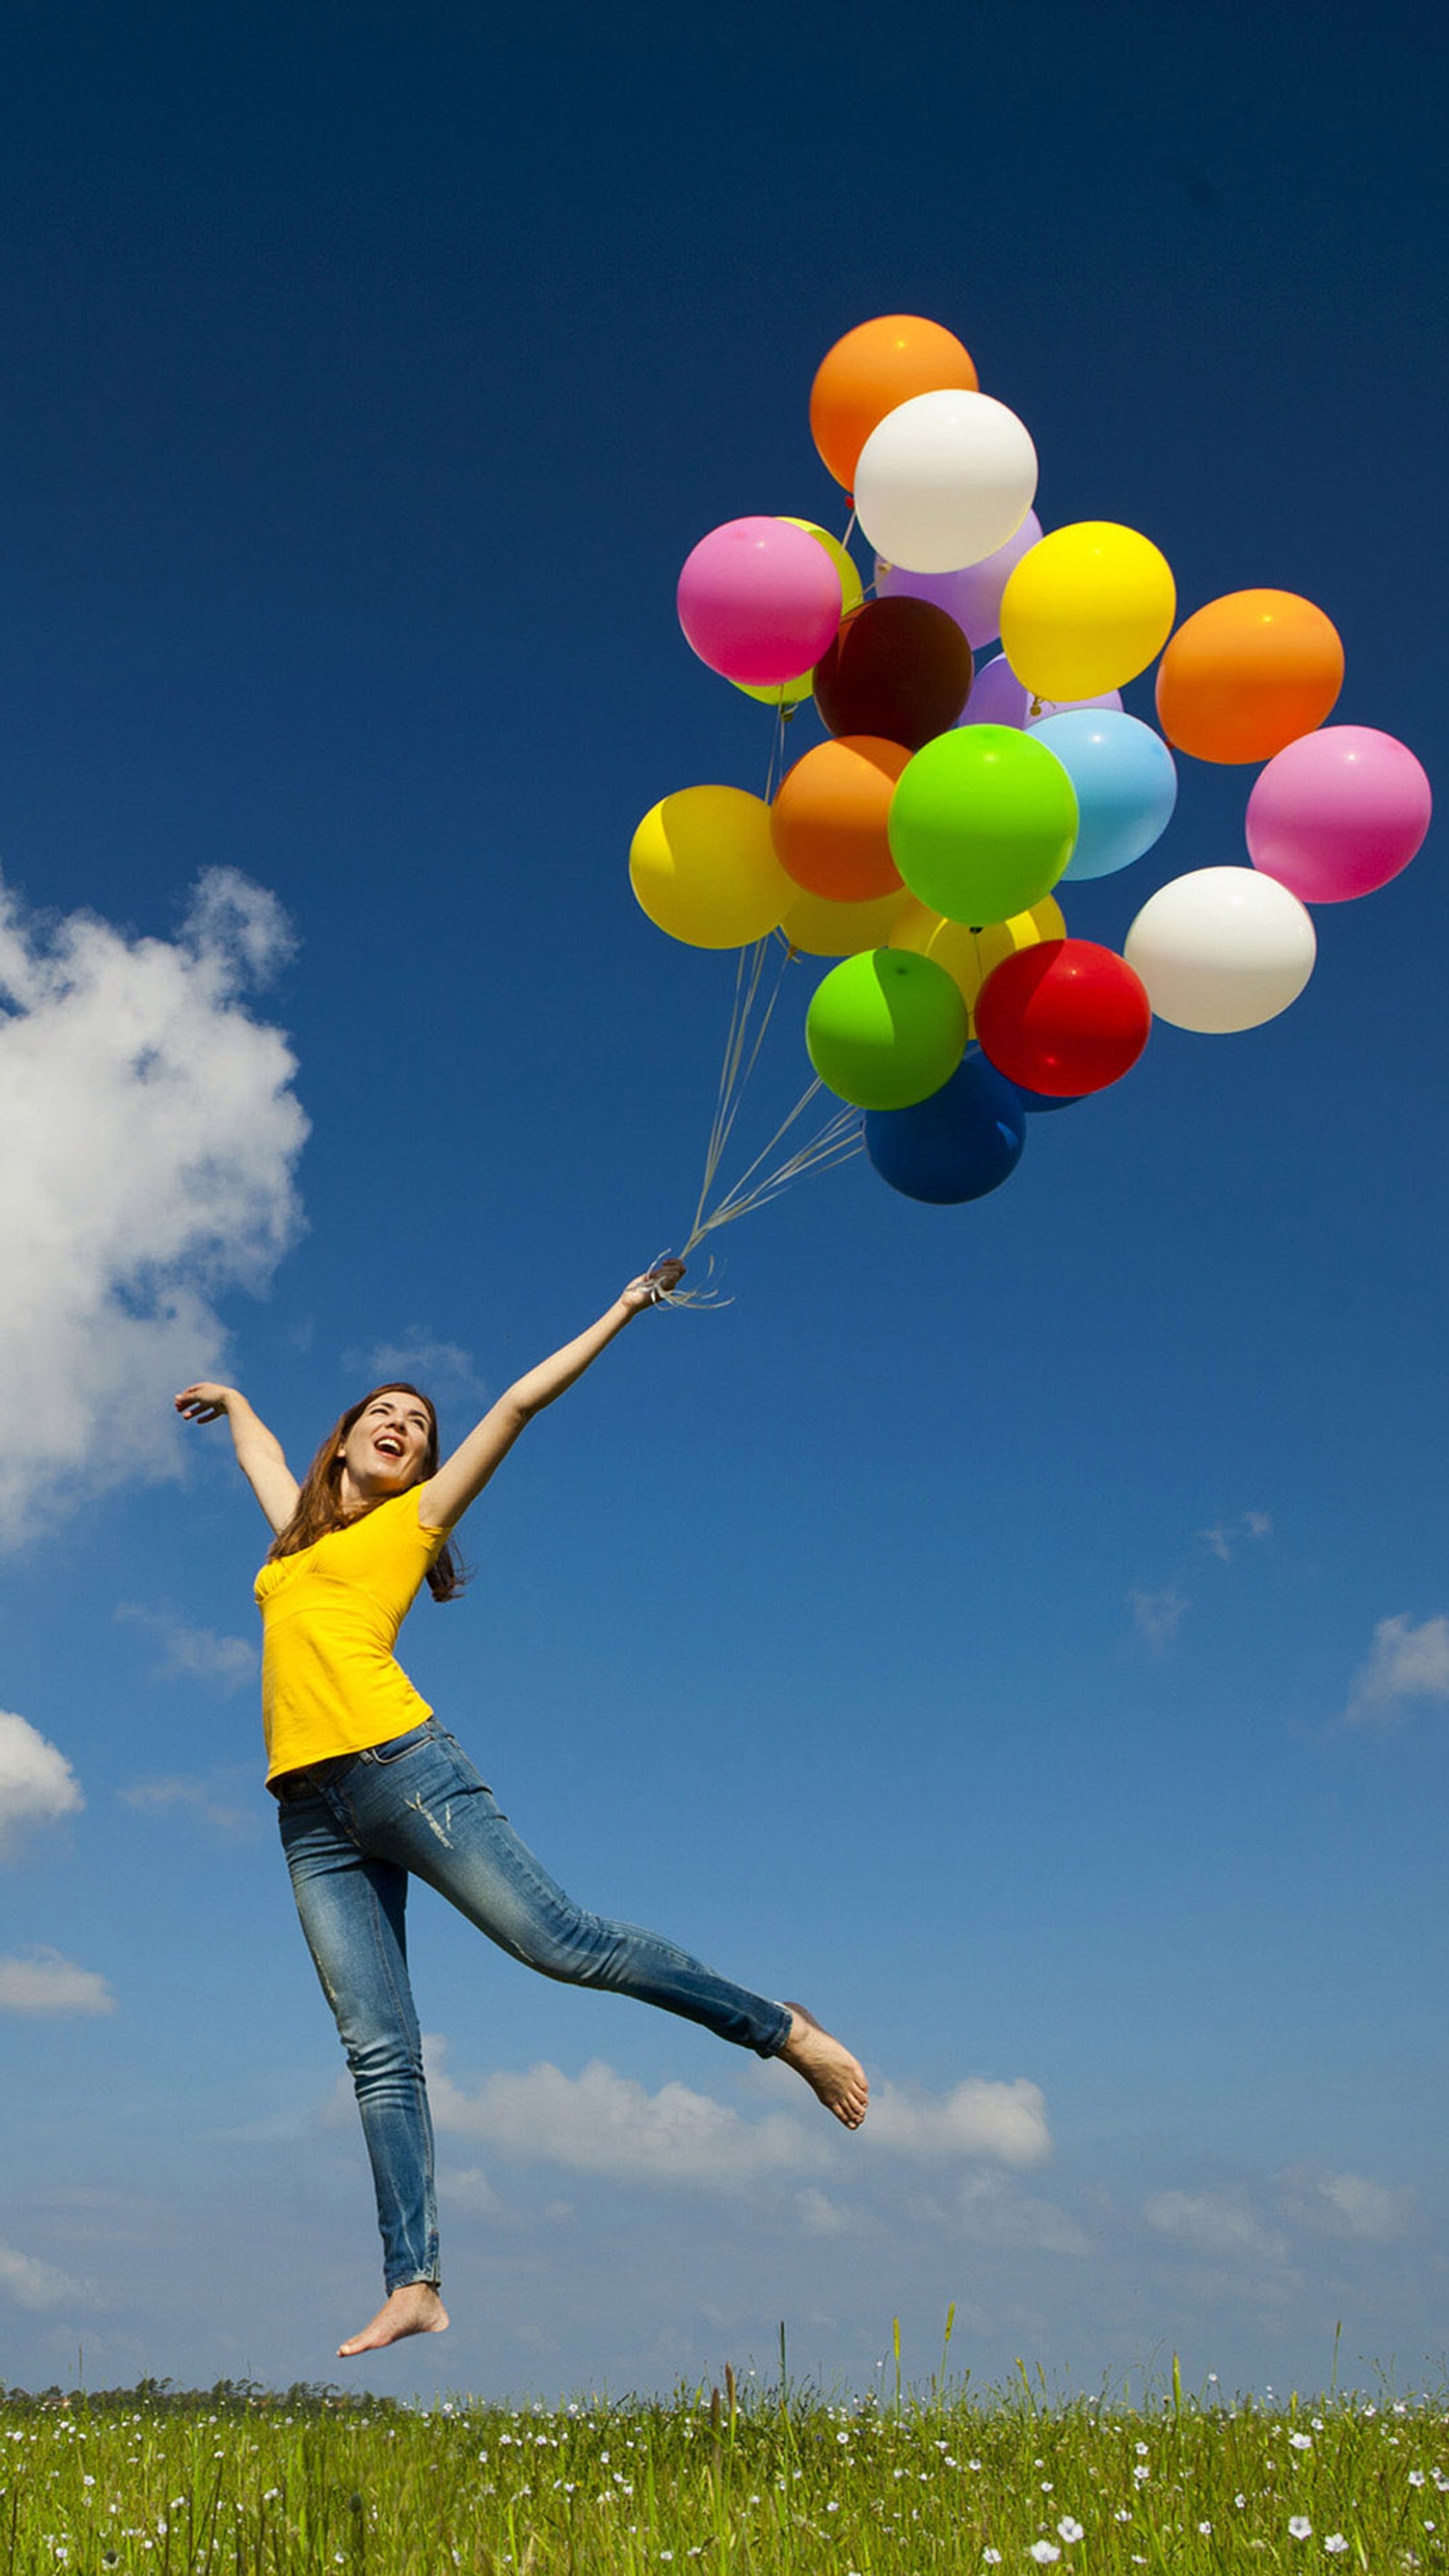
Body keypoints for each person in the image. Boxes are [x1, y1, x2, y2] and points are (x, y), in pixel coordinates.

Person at [175, 1262, 868, 2358]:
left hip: (403, 1771)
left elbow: (516, 1403)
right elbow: (264, 1461)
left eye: (417, 1423)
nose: (403, 1425)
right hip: (307, 1816)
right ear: (345, 1440)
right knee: (377, 2049)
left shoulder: (410, 1525)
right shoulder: (295, 1545)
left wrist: (621, 1309)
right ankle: (415, 2282)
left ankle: (781, 2029)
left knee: (561, 1943)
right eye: (382, 1414)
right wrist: (242, 1406)